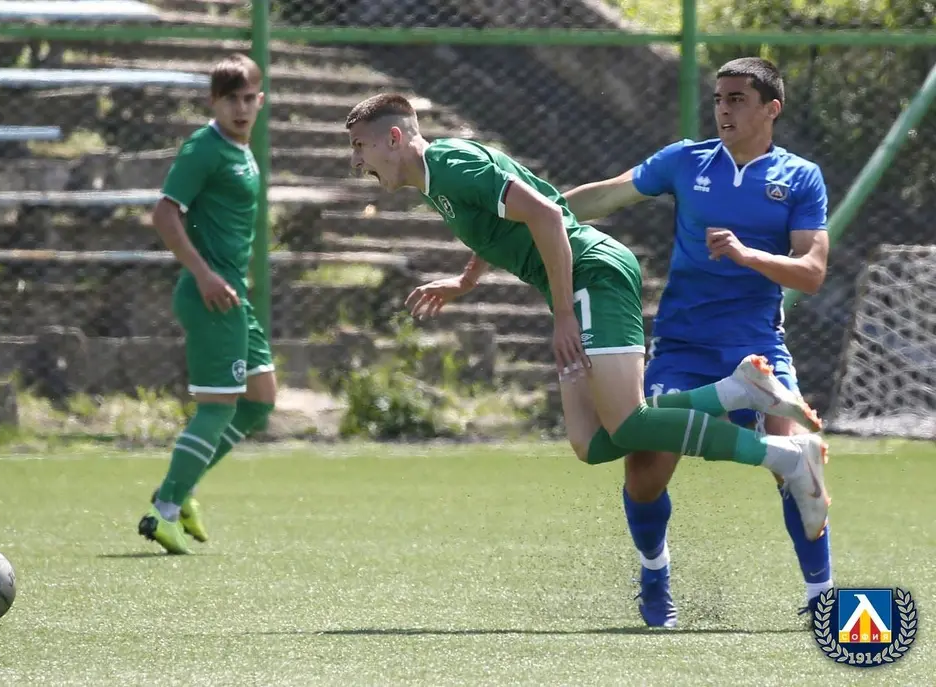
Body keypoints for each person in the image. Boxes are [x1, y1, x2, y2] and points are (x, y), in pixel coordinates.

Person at [344, 91, 831, 565]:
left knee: (630, 423)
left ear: (394, 138)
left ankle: (784, 456)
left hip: (594, 275)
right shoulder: (438, 176)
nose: (356, 162)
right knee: (591, 442)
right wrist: (466, 280)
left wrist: (563, 315)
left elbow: (547, 214)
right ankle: (736, 392)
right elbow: (502, 222)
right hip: (578, 283)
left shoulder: (451, 166)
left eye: (360, 146)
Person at [563, 57, 833, 627]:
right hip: (683, 346)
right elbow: (605, 197)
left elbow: (811, 273)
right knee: (645, 472)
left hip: (757, 346)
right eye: (718, 99)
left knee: (795, 462)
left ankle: (821, 597)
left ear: (771, 108)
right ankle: (654, 576)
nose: (723, 110)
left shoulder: (801, 177)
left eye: (737, 99)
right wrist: (531, 214)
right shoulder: (686, 161)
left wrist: (746, 255)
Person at [138, 53, 277, 554]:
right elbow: (164, 214)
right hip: (210, 295)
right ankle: (165, 510)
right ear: (213, 102)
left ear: (260, 101)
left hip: (232, 293)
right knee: (218, 405)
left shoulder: (242, 150)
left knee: (259, 398)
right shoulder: (205, 147)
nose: (241, 109)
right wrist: (204, 275)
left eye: (249, 99)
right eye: (230, 99)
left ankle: (181, 488)